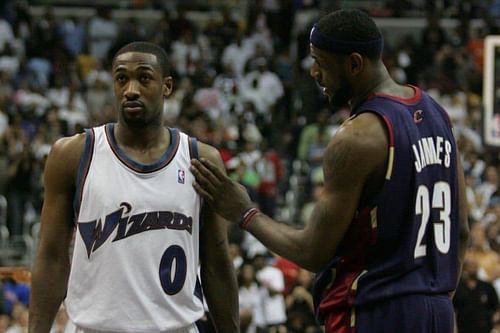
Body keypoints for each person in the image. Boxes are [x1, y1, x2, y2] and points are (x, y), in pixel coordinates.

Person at [190, 8, 469, 333]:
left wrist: (246, 212)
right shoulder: (437, 113)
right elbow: (459, 231)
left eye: (319, 61)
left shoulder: (359, 136)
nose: (313, 73)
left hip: (374, 311)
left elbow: (312, 252)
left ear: (353, 63)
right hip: (437, 310)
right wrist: (435, 299)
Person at [29, 41, 239, 333]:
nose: (131, 90)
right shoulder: (73, 155)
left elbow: (216, 264)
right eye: (121, 78)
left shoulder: (200, 160)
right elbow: (51, 257)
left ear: (166, 86)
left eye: (144, 78)